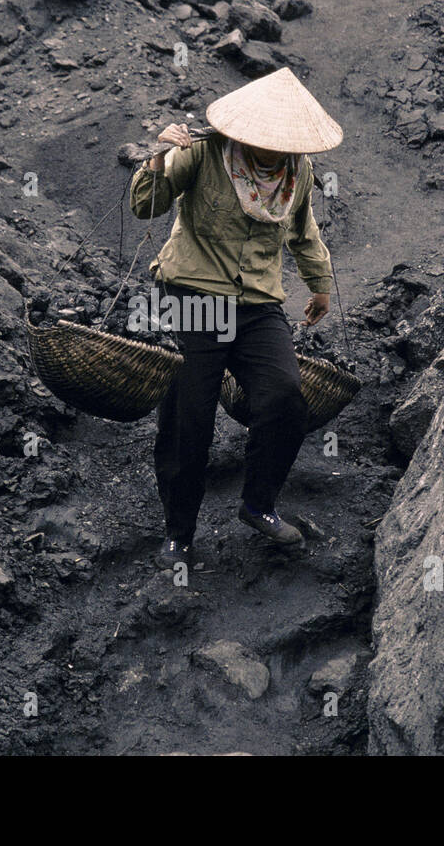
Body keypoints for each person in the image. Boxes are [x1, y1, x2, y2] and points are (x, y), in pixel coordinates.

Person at [128, 67, 343, 569]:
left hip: (257, 303)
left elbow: (303, 230)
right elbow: (145, 206)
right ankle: (179, 532)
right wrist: (159, 157)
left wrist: (320, 283)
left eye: (283, 142)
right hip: (194, 295)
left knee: (285, 396)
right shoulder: (201, 152)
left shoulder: (297, 171)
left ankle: (258, 504)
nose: (272, 149)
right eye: (264, 139)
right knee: (190, 418)